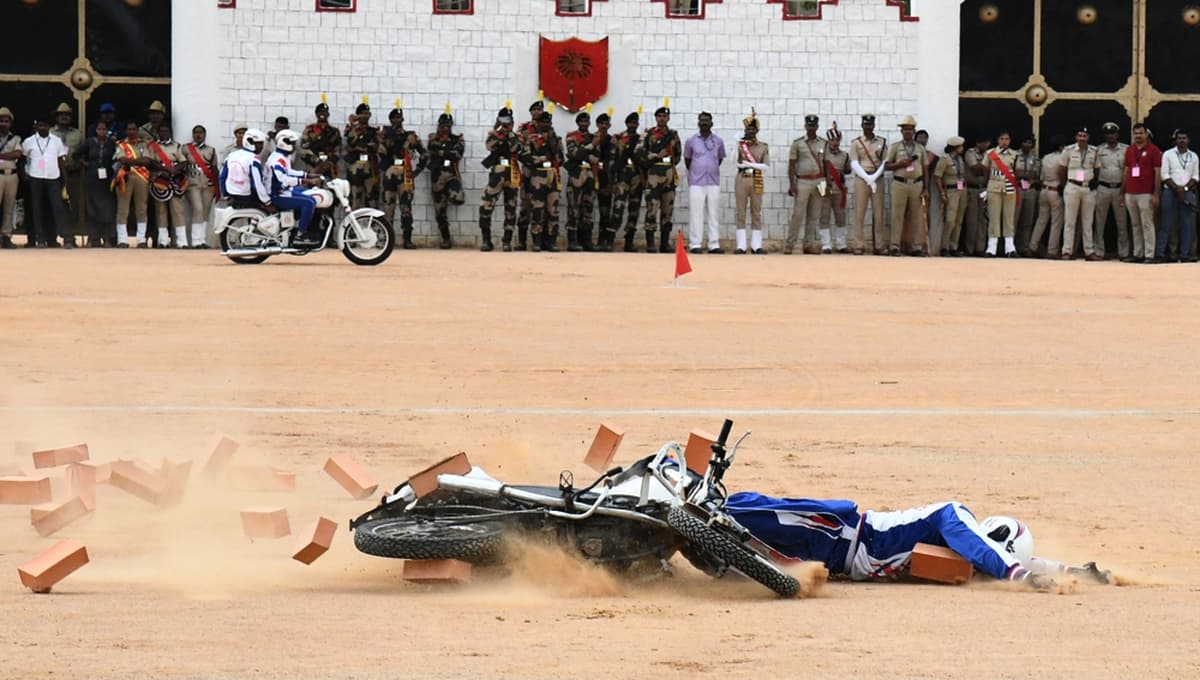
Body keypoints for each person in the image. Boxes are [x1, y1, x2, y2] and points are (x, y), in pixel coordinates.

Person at [726, 493, 1113, 589]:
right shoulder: (955, 515)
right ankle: (692, 495)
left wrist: (1075, 573)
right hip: (845, 530)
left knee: (740, 553)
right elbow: (991, 554)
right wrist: (1016, 575)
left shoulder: (971, 568)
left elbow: (1030, 562)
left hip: (836, 562)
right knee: (758, 510)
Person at [379, 106, 427, 250]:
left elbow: (424, 153)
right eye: (394, 118)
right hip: (390, 173)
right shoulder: (385, 136)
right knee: (388, 207)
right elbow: (380, 153)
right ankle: (387, 240)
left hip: (405, 173)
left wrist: (417, 170)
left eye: (399, 118)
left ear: (403, 120)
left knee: (406, 207)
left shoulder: (411, 136)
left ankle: (407, 239)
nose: (396, 120)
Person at [22, 117, 72, 248]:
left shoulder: (56, 141)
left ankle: (66, 238)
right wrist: (25, 174)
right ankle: (40, 238)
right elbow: (24, 159)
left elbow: (61, 160)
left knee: (58, 208)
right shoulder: (29, 141)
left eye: (45, 125)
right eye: (40, 125)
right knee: (37, 209)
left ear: (49, 126)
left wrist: (65, 180)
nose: (42, 128)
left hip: (53, 177)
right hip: (35, 177)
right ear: (36, 127)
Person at [265, 129, 320, 247]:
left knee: (308, 193)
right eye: (292, 143)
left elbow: (289, 171)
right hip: (278, 194)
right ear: (284, 142)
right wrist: (305, 180)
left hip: (283, 191)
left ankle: (297, 224)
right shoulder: (277, 159)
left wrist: (307, 175)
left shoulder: (282, 156)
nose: (294, 146)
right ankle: (301, 234)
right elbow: (282, 178)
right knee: (309, 203)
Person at [883, 115, 928, 256]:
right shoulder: (895, 147)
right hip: (900, 183)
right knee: (897, 215)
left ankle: (916, 247)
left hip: (917, 184)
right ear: (901, 132)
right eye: (905, 129)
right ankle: (894, 246)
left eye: (910, 129)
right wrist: (899, 164)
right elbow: (886, 166)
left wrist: (926, 188)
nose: (908, 132)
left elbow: (925, 168)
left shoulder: (920, 148)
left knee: (916, 217)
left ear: (914, 131)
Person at [639, 105, 682, 254]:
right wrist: (656, 156)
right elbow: (640, 153)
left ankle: (664, 243)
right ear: (656, 118)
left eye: (664, 116)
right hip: (654, 173)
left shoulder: (673, 135)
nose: (662, 119)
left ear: (668, 118)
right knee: (652, 208)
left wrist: (668, 163)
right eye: (659, 116)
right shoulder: (649, 134)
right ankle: (650, 243)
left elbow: (677, 155)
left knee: (667, 209)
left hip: (668, 173)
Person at [479, 106, 521, 252]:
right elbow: (489, 146)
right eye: (503, 120)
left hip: (511, 174)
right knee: (485, 206)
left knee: (510, 208)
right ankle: (486, 240)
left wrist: (509, 133)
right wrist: (497, 131)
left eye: (508, 121)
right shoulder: (494, 134)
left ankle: (507, 241)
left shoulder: (516, 136)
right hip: (497, 175)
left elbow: (515, 148)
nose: (505, 123)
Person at [522, 111, 563, 252]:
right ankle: (537, 241)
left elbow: (560, 159)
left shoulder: (556, 139)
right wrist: (542, 158)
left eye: (548, 122)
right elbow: (527, 158)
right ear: (538, 123)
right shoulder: (531, 139)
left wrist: (551, 144)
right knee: (537, 209)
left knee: (553, 210)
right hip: (537, 176)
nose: (546, 125)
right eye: (543, 122)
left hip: (552, 175)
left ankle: (551, 241)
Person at [684, 111, 725, 254]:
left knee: (713, 213)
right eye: (702, 120)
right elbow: (688, 161)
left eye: (707, 120)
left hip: (713, 181)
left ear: (712, 123)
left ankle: (714, 244)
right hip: (696, 182)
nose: (704, 123)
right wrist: (698, 170)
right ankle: (695, 244)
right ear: (698, 123)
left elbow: (719, 159)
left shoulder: (718, 141)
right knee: (696, 213)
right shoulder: (691, 141)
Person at [786, 113, 826, 255]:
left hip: (819, 181)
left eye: (814, 125)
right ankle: (790, 244)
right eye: (809, 125)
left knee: (814, 215)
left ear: (817, 126)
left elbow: (826, 164)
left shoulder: (823, 143)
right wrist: (792, 184)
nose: (811, 128)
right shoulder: (798, 143)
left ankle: (808, 244)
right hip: (803, 180)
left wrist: (828, 184)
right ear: (805, 126)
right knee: (798, 214)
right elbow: (791, 166)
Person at [72, 120, 117, 247]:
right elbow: (75, 155)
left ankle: (107, 239)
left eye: (104, 129)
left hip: (107, 180)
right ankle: (93, 238)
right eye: (99, 129)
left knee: (107, 210)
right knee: (92, 210)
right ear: (96, 130)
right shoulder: (90, 142)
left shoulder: (111, 143)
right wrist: (85, 163)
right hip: (92, 179)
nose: (102, 131)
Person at [1059, 126, 1101, 261]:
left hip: (1088, 188)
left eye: (1085, 136)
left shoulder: (1094, 151)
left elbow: (1097, 168)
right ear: (1076, 137)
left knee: (1088, 221)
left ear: (1088, 137)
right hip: (1073, 186)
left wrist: (1094, 180)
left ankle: (1089, 251)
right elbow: (1062, 169)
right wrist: (1064, 183)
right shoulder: (1069, 150)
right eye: (1080, 136)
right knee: (1070, 221)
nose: (1082, 138)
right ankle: (1067, 251)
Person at [1156, 129, 1198, 263]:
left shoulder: (1194, 156)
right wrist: (1176, 189)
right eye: (1179, 138)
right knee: (1166, 223)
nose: (1182, 140)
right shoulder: (1168, 154)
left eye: (1184, 138)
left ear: (1188, 140)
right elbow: (1164, 174)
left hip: (1188, 191)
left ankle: (1184, 254)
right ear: (1176, 140)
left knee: (1187, 224)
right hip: (1170, 191)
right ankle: (1161, 254)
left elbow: (1196, 176)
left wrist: (1184, 189)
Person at [564, 110, 602, 252]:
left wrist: (585, 153)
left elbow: (597, 157)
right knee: (573, 208)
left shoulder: (594, 137)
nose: (584, 124)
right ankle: (572, 241)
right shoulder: (571, 137)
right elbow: (575, 154)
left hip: (590, 175)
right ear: (578, 123)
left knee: (588, 208)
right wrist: (590, 147)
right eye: (582, 121)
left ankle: (586, 240)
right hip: (577, 175)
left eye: (587, 121)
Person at [1123, 123, 1161, 264]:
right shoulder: (1130, 150)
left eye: (1140, 133)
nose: (1138, 136)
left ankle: (1149, 254)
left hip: (1146, 192)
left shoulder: (1154, 150)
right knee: (1135, 224)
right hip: (1130, 192)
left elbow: (1157, 173)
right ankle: (1137, 253)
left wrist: (1156, 194)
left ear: (1146, 134)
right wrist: (1123, 191)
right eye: (1136, 133)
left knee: (1147, 223)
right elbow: (1126, 171)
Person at [427, 112, 466, 249]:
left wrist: (442, 152)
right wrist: (446, 151)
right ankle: (446, 239)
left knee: (458, 198)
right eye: (443, 126)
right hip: (437, 177)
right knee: (440, 211)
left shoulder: (457, 139)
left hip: (451, 175)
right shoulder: (433, 138)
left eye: (448, 126)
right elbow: (431, 149)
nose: (445, 129)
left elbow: (458, 153)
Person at [147, 123, 189, 248]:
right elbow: (150, 161)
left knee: (178, 211)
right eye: (162, 131)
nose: (164, 133)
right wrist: (164, 169)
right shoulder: (153, 147)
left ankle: (182, 242)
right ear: (158, 133)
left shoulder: (177, 146)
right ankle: (163, 241)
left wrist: (174, 170)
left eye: (166, 131)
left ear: (170, 132)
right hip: (160, 179)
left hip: (174, 180)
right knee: (161, 211)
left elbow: (183, 162)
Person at [849, 113, 886, 255]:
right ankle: (858, 245)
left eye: (870, 125)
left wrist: (874, 177)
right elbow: (854, 162)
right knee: (859, 212)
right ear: (862, 125)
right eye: (866, 125)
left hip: (878, 178)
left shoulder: (881, 142)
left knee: (879, 213)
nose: (868, 127)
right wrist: (867, 178)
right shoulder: (856, 143)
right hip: (861, 179)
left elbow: (884, 162)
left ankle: (880, 245)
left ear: (874, 126)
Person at [733, 109, 769, 255]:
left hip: (756, 178)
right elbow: (733, 161)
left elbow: (765, 166)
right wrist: (735, 142)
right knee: (741, 212)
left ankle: (756, 245)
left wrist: (749, 164)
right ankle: (741, 245)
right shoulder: (741, 145)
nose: (750, 131)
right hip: (742, 178)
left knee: (756, 212)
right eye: (748, 128)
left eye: (753, 128)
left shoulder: (763, 146)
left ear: (757, 130)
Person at [113, 121, 151, 247]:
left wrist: (132, 161)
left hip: (142, 178)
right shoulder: (121, 144)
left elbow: (147, 161)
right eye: (129, 129)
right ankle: (122, 239)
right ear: (126, 131)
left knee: (142, 209)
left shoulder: (144, 144)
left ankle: (141, 239)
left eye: (134, 129)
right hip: (125, 177)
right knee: (123, 209)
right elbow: (122, 159)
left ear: (137, 131)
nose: (132, 131)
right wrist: (138, 161)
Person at [612, 111, 647, 252]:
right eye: (630, 122)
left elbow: (643, 159)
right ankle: (610, 239)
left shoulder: (641, 139)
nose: (633, 125)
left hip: (636, 177)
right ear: (626, 124)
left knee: (634, 210)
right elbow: (612, 159)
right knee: (617, 209)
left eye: (635, 123)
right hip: (622, 177)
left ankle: (629, 241)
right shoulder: (619, 138)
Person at [982, 130, 1019, 257]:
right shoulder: (990, 153)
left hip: (1009, 186)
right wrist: (986, 187)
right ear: (998, 140)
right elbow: (986, 171)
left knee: (1009, 217)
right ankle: (991, 248)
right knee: (994, 217)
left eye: (1007, 139)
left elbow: (1016, 171)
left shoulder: (1014, 154)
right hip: (994, 185)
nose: (1005, 141)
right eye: (1002, 138)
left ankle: (1010, 248)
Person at [1095, 122, 1128, 261]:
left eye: (1113, 133)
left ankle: (1124, 252)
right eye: (1108, 134)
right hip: (1103, 187)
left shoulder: (1125, 149)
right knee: (1099, 221)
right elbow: (1094, 169)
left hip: (1119, 189)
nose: (1110, 136)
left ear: (1117, 134)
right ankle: (1098, 251)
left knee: (1122, 222)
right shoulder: (1099, 150)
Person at [1028, 136, 1066, 258]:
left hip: (1044, 189)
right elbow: (1062, 173)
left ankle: (1032, 246)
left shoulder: (1045, 158)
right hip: (1056, 190)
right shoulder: (1062, 157)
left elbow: (1041, 176)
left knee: (1041, 220)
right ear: (1061, 147)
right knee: (1056, 222)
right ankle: (1052, 250)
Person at [219, 128, 273, 212]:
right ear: (251, 142)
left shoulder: (231, 155)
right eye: (259, 144)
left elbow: (222, 177)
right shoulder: (253, 159)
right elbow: (257, 184)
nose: (262, 147)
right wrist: (268, 203)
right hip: (247, 196)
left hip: (232, 195)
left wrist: (226, 196)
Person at [183, 125, 220, 249]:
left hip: (208, 184)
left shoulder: (211, 150)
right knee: (197, 209)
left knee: (205, 211)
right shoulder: (186, 148)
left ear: (205, 135)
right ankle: (195, 240)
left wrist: (217, 186)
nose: (198, 135)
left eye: (201, 133)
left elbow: (214, 168)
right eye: (196, 133)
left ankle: (202, 240)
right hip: (193, 183)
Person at [51, 102, 84, 239]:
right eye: (61, 115)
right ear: (57, 117)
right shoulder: (51, 132)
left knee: (73, 205)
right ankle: (52, 236)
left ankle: (70, 235)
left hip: (73, 174)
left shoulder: (77, 134)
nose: (64, 117)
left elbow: (83, 152)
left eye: (67, 115)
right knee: (56, 205)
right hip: (54, 175)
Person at [515, 100, 545, 251]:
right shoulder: (525, 128)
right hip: (528, 171)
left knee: (539, 208)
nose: (537, 112)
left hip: (542, 174)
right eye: (534, 109)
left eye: (539, 109)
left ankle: (538, 241)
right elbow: (518, 149)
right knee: (525, 206)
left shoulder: (547, 128)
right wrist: (534, 160)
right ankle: (521, 241)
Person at [934, 136, 967, 256]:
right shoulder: (945, 159)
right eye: (960, 146)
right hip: (951, 190)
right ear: (955, 147)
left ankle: (954, 246)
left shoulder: (960, 159)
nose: (962, 148)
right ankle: (944, 246)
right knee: (950, 220)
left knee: (959, 220)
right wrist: (942, 193)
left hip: (962, 190)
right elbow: (937, 177)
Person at [821, 123, 850, 254]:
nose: (835, 142)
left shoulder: (844, 155)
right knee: (824, 215)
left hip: (839, 188)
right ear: (828, 140)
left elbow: (847, 170)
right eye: (832, 140)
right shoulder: (822, 155)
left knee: (840, 216)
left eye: (837, 140)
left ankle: (841, 244)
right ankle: (826, 244)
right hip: (825, 187)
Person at [592, 112, 619, 252]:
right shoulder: (592, 138)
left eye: (606, 123)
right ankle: (587, 241)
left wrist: (612, 181)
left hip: (606, 179)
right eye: (601, 123)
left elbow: (615, 161)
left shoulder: (612, 140)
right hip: (592, 177)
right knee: (587, 211)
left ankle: (604, 241)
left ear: (609, 125)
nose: (603, 126)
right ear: (597, 124)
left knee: (605, 212)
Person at [345, 103, 379, 210]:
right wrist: (354, 126)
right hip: (355, 167)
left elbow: (376, 147)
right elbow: (350, 143)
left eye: (367, 114)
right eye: (362, 114)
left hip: (370, 167)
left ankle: (372, 225)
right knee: (355, 199)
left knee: (372, 199)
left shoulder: (374, 131)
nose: (365, 116)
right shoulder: (352, 129)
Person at [963, 136, 991, 256]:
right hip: (972, 189)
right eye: (982, 142)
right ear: (977, 143)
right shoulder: (970, 153)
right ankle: (969, 248)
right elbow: (975, 169)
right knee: (972, 220)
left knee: (983, 220)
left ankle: (980, 248)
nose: (984, 145)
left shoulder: (990, 153)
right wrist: (986, 166)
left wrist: (984, 167)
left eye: (986, 142)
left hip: (984, 189)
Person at [1014, 135, 1041, 256]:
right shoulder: (1014, 155)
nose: (1027, 145)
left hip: (1030, 189)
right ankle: (1010, 247)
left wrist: (1024, 174)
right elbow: (1015, 173)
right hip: (1017, 188)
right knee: (1014, 219)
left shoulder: (1035, 158)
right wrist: (1024, 174)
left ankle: (1024, 247)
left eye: (1030, 143)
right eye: (1025, 142)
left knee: (1028, 220)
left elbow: (1036, 174)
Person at [300, 100, 341, 178]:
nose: (322, 114)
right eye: (320, 112)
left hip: (330, 166)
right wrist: (318, 162)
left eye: (325, 112)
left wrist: (329, 163)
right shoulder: (309, 130)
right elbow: (304, 150)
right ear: (316, 114)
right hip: (313, 166)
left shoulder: (334, 131)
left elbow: (338, 150)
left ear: (328, 114)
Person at [0, 107, 21, 249]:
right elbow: (12, 154)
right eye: (1, 121)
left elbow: (17, 154)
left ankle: (6, 235)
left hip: (11, 174)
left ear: (11, 123)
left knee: (9, 206)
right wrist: (9, 154)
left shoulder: (16, 138)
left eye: (6, 121)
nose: (3, 123)